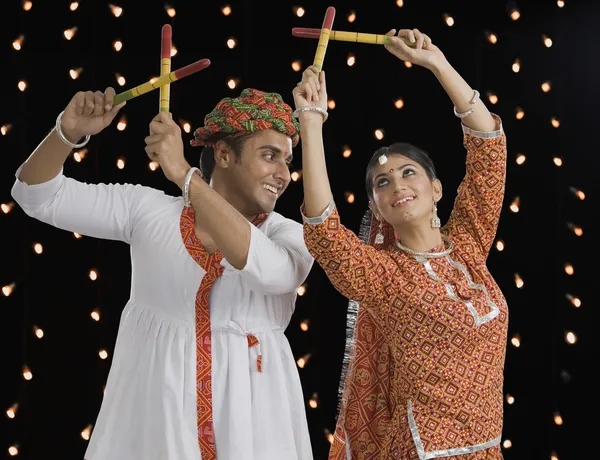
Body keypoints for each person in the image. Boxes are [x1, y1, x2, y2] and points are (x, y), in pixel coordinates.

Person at [11, 86, 314, 460]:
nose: (284, 174)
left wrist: (184, 175)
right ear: (222, 153)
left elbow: (271, 274)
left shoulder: (290, 235)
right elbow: (35, 195)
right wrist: (66, 133)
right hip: (154, 428)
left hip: (256, 434)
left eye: (288, 161)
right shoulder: (147, 212)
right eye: (270, 156)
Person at [293, 27, 508, 459]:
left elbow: (490, 150)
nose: (397, 184)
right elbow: (323, 231)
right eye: (383, 182)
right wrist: (311, 123)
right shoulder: (385, 275)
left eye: (409, 172)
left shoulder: (468, 244)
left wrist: (436, 63)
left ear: (437, 189)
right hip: (422, 452)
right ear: (378, 209)